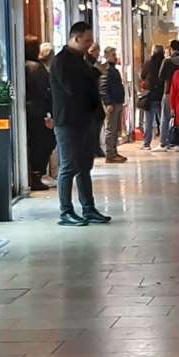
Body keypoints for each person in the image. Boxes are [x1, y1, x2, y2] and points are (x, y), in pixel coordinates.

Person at [51, 22, 109, 226]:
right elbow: (73, 89)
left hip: (85, 120)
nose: (89, 45)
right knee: (68, 166)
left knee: (84, 166)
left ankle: (88, 208)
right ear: (75, 39)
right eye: (87, 41)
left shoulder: (81, 60)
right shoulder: (61, 61)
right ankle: (66, 211)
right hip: (68, 121)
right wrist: (95, 73)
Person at [24, 39, 54, 191]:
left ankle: (32, 174)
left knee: (31, 143)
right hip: (38, 111)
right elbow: (46, 92)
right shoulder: (37, 68)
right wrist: (50, 113)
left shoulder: (21, 66)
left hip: (27, 111)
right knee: (43, 143)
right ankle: (36, 175)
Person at [98, 47, 128, 163]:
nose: (115, 57)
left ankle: (114, 152)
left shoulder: (113, 69)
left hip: (117, 102)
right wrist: (108, 102)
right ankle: (110, 154)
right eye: (113, 55)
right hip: (112, 104)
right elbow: (103, 87)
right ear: (107, 55)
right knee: (111, 129)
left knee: (115, 130)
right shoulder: (106, 69)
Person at [157, 39, 179, 150]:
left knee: (165, 117)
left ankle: (164, 142)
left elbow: (161, 76)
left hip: (168, 91)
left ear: (171, 49)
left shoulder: (167, 61)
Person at [138, 45, 165, 150]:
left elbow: (143, 75)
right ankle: (164, 141)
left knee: (148, 121)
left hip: (150, 95)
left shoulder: (148, 63)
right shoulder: (165, 62)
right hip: (162, 94)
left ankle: (146, 143)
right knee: (163, 120)